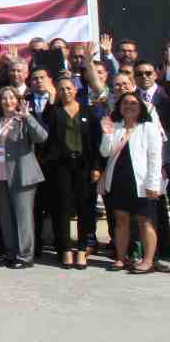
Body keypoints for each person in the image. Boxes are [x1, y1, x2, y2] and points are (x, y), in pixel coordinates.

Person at [100, 92, 163, 274]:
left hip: (142, 183)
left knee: (145, 221)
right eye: (125, 103)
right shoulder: (116, 126)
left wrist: (153, 184)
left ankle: (148, 260)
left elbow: (155, 158)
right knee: (121, 220)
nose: (129, 106)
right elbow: (105, 152)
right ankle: (120, 258)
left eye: (133, 103)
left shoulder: (148, 127)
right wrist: (106, 134)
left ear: (141, 107)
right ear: (119, 107)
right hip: (119, 181)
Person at [0, 87, 48, 269]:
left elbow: (42, 137)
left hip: (22, 174)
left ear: (17, 99)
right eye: (4, 98)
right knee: (6, 216)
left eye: (11, 98)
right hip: (0, 174)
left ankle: (25, 256)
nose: (7, 101)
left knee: (23, 216)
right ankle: (11, 251)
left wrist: (27, 116)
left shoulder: (23, 120)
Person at [42, 76, 99, 269]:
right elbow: (45, 130)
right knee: (62, 208)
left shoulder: (87, 112)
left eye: (69, 88)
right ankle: (65, 249)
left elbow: (94, 141)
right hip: (61, 166)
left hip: (83, 166)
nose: (65, 92)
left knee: (84, 208)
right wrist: (50, 99)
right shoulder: (54, 112)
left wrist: (96, 167)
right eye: (61, 89)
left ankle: (82, 249)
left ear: (75, 91)